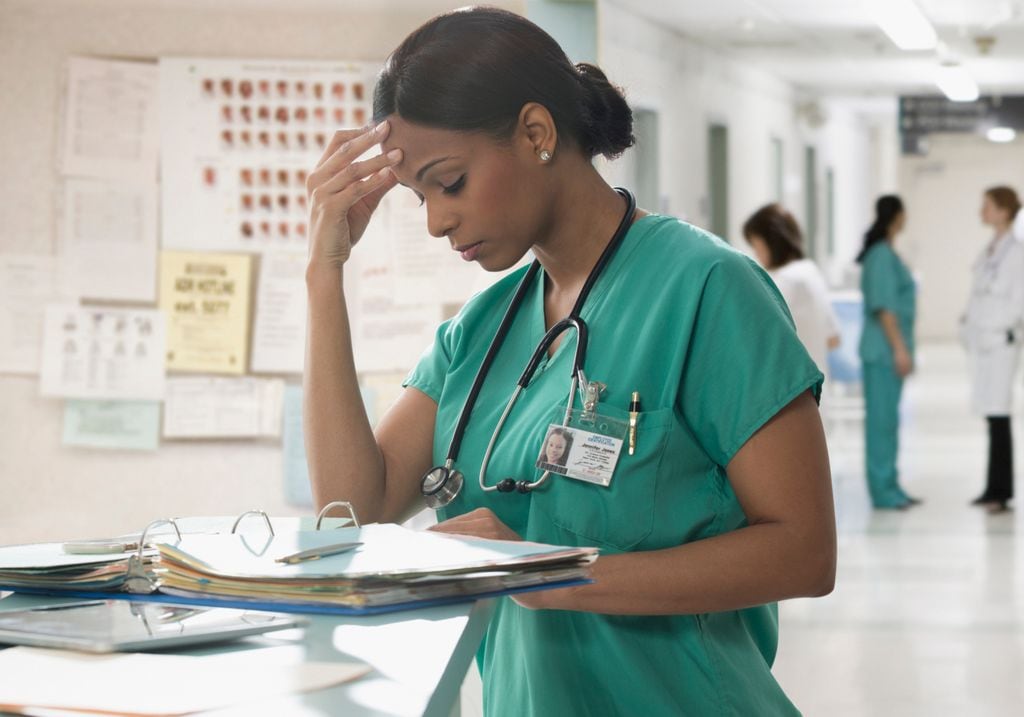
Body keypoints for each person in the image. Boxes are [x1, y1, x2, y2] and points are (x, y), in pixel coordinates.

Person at [303, 8, 835, 715]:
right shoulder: (481, 331)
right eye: (418, 195)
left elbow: (804, 551)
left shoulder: (707, 289)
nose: (435, 220)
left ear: (536, 133)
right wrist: (321, 274)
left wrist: (549, 571)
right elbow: (349, 514)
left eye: (450, 181)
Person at [961, 186, 1024, 513]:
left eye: (987, 205)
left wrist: (991, 326)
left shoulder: (1017, 253)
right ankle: (992, 488)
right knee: (991, 415)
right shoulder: (991, 250)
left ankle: (1001, 492)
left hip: (1000, 343)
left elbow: (1017, 304)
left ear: (1003, 210)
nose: (981, 211)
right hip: (984, 343)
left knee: (999, 415)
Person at [857, 195, 919, 510]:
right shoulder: (881, 256)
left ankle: (892, 485)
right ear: (897, 216)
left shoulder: (886, 253)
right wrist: (899, 349)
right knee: (881, 423)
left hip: (887, 350)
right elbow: (885, 310)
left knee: (889, 422)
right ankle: (882, 491)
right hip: (883, 351)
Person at [743, 203, 840, 375]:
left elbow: (759, 342)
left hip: (792, 389)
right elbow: (833, 339)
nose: (756, 253)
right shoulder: (810, 270)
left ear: (770, 241)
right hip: (818, 388)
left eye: (756, 245)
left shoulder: (783, 281)